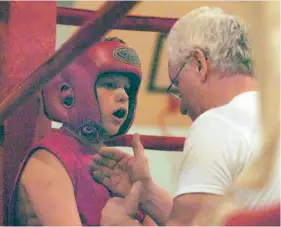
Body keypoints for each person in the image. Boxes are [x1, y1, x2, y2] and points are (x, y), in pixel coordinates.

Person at [90, 7, 280, 226]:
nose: (181, 107)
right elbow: (207, 222)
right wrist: (148, 193)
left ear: (199, 63)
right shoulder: (270, 115)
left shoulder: (217, 124)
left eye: (178, 85)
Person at [7, 37, 154, 226]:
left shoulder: (115, 168)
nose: (123, 95)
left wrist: (147, 191)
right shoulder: (47, 161)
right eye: (109, 85)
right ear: (69, 93)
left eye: (127, 88)